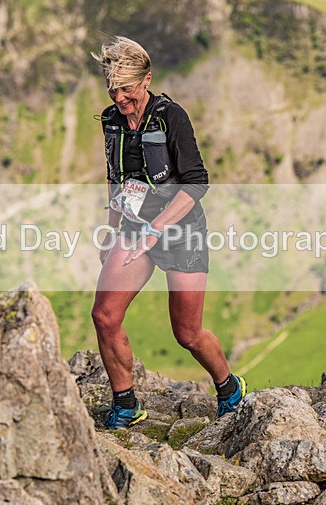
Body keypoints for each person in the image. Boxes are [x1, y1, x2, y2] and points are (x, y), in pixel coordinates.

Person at [90, 36, 246, 429]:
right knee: (105, 316)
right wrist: (112, 232)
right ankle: (125, 405)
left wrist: (156, 230)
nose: (120, 98)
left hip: (181, 231)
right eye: (113, 89)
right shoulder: (111, 120)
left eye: (126, 89)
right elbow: (115, 179)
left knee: (188, 333)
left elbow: (196, 183)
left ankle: (229, 388)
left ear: (147, 81)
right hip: (134, 228)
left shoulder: (171, 117)